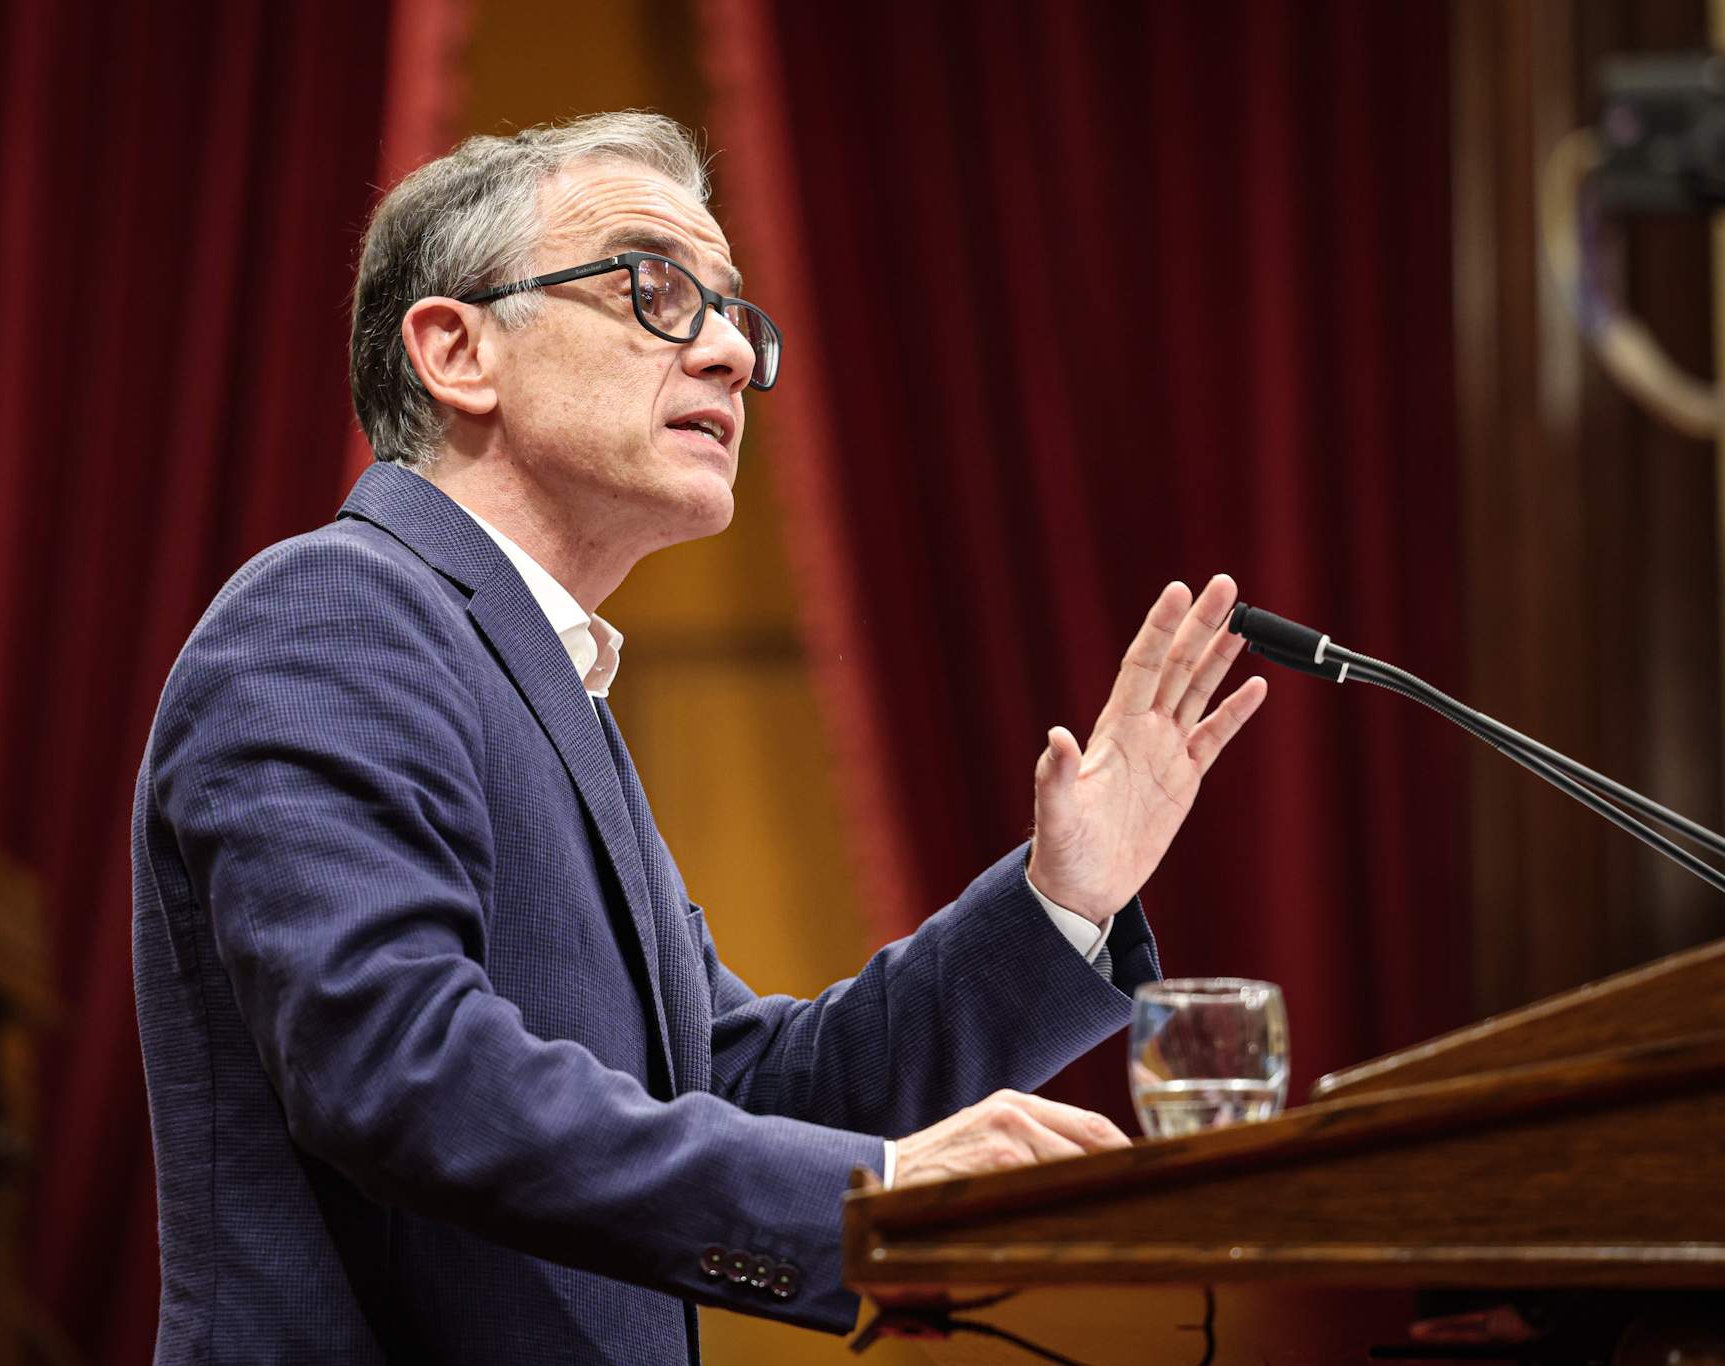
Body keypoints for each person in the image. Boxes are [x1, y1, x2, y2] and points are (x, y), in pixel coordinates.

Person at [131, 111, 1267, 1365]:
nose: (729, 351)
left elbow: (737, 1088)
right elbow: (402, 1069)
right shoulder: (334, 615)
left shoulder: (539, 683)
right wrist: (872, 1186)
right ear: (457, 350)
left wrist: (1065, 895)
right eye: (655, 290)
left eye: (734, 314)